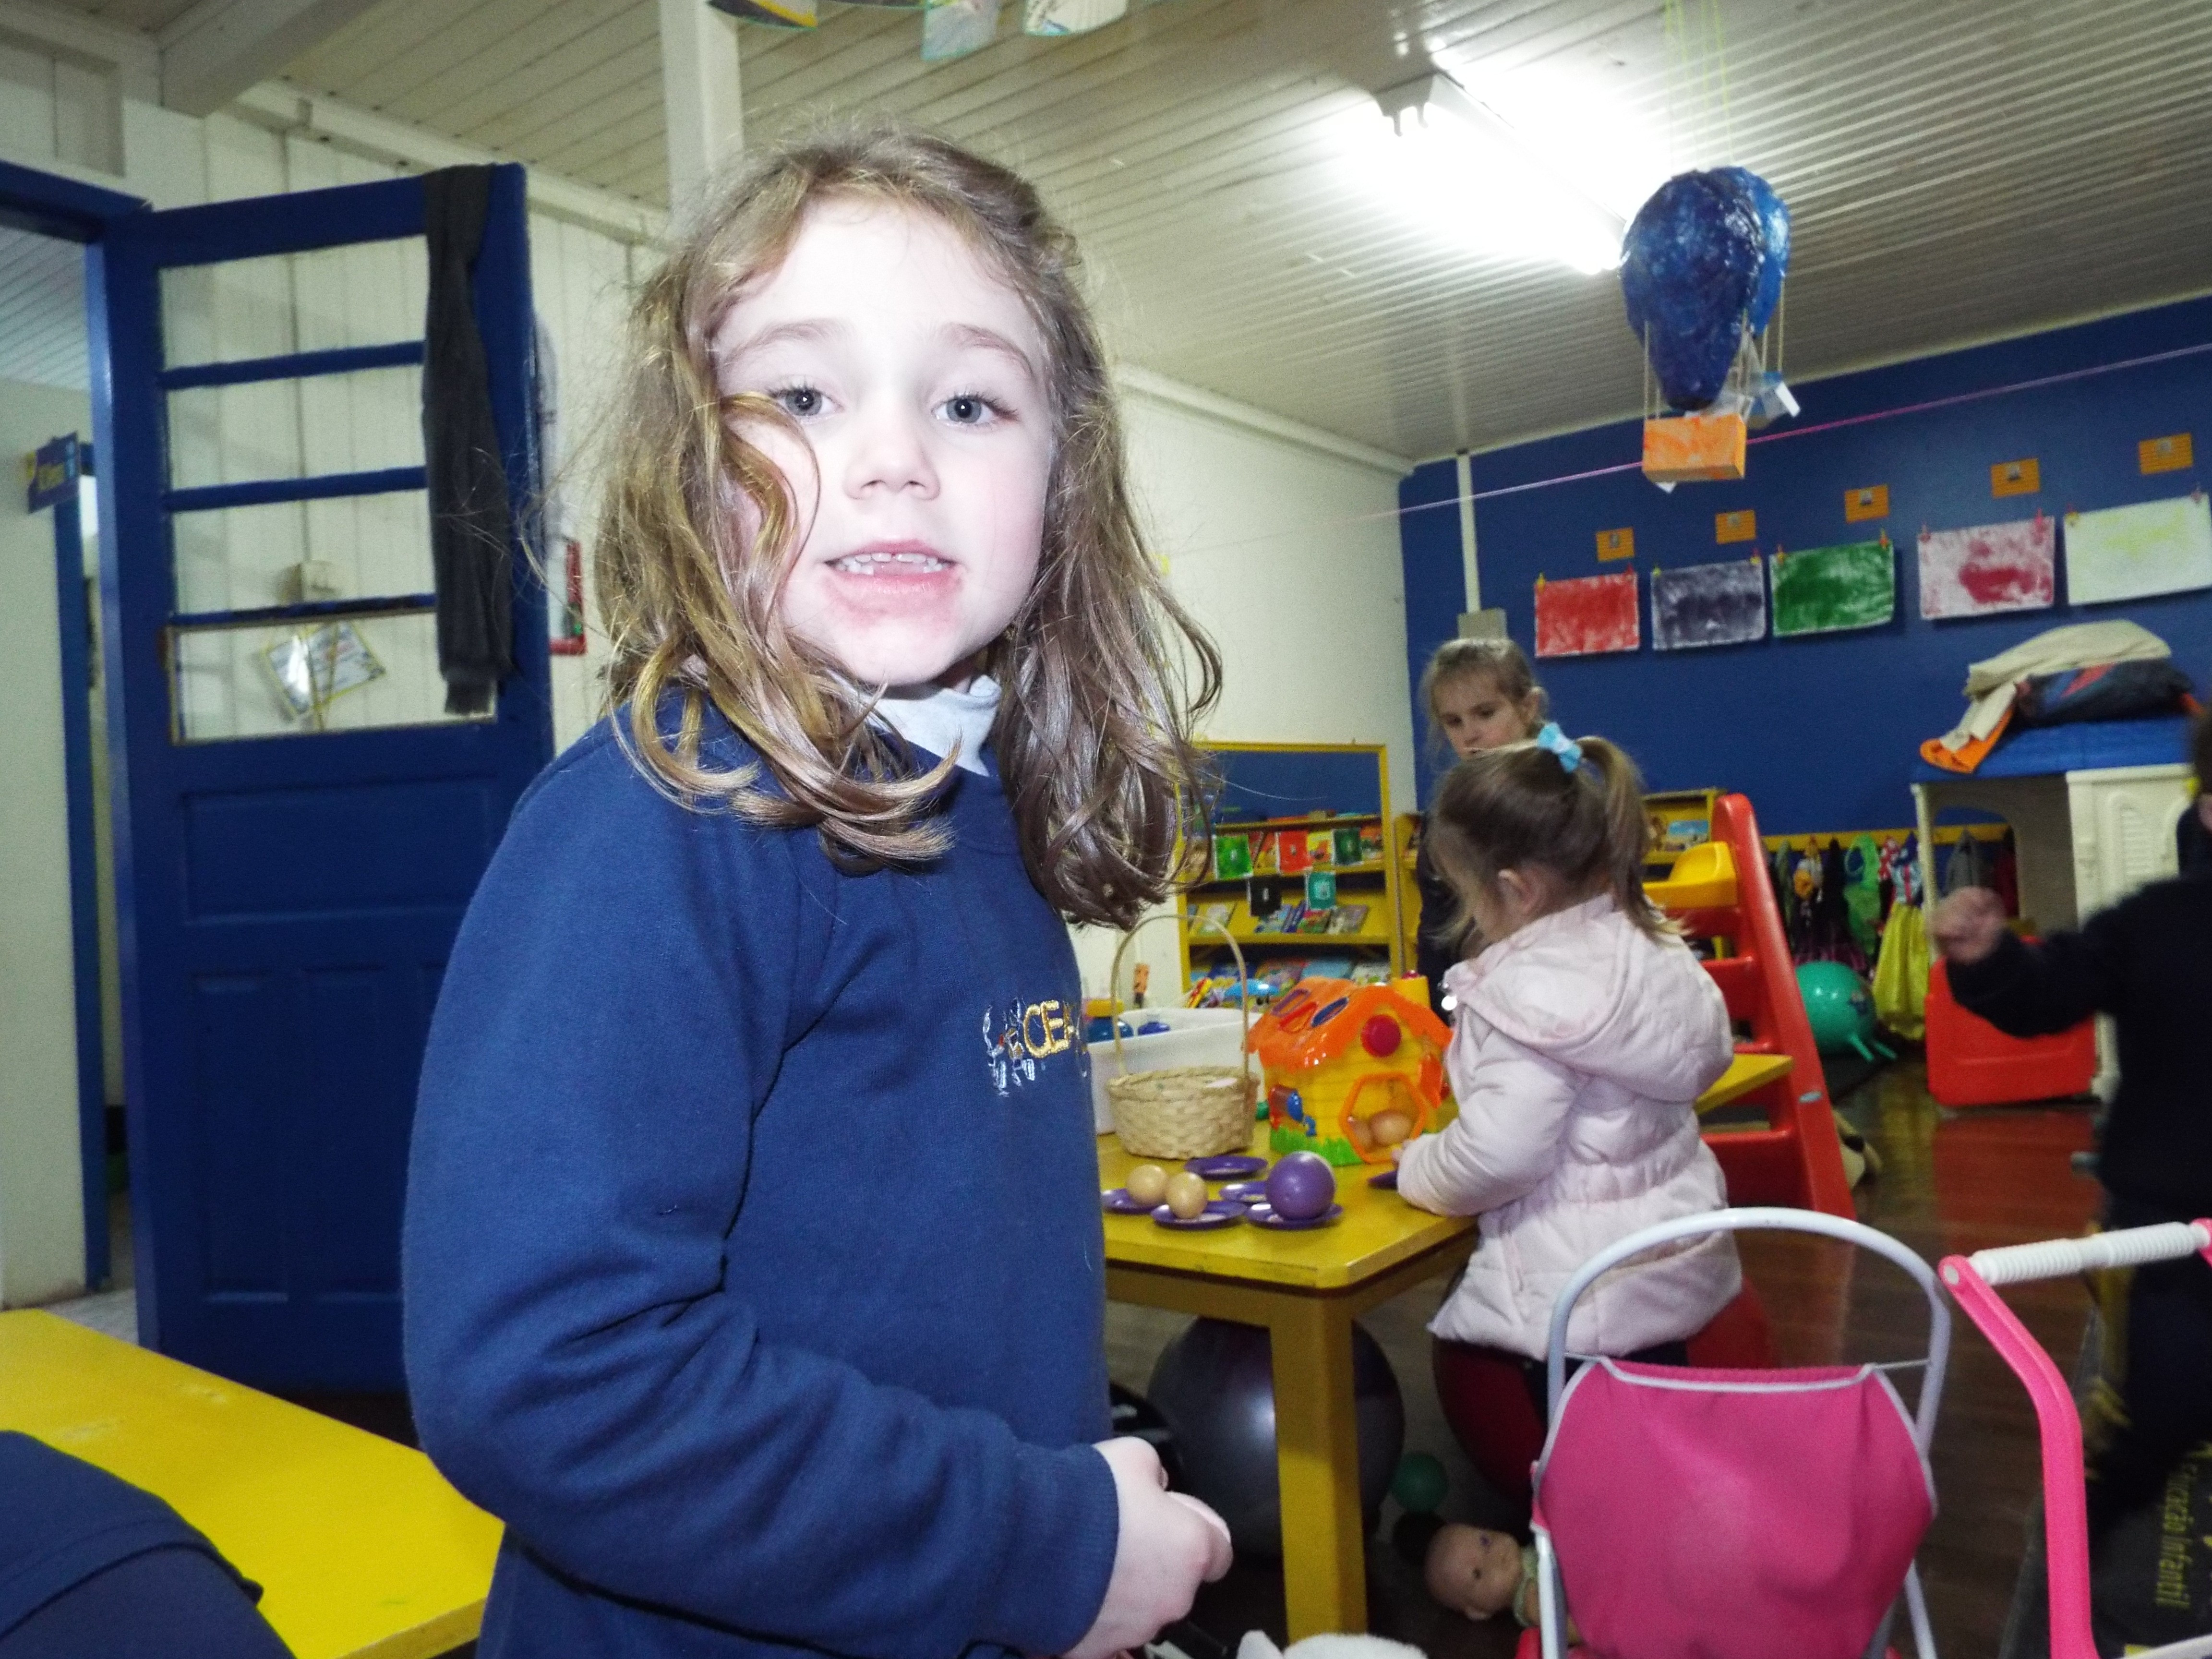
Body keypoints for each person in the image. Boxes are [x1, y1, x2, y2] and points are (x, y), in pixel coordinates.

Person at [402, 126, 1233, 1659]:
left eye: (971, 402)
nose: (897, 457)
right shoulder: (663, 826)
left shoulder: (971, 806)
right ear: (689, 470)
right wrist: (1041, 1548)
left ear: (1062, 477)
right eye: (801, 396)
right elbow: (547, 1376)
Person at [1932, 706, 2212, 1543]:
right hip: (2168, 1223)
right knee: (2163, 1408)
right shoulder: (2159, 921)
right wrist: (1990, 960)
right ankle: (2082, 1530)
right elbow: (2053, 990)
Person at [1395, 725, 1741, 1384]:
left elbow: (1498, 1157)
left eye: (1467, 893)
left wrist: (1418, 1166)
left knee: (1589, 1439)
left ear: (1516, 889)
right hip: (1671, 1261)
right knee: (1649, 1415)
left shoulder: (1525, 996)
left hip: (1579, 1293)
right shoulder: (1654, 947)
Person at [1410, 638, 1548, 1016]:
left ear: (1527, 707)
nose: (1469, 735)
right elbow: (1436, 933)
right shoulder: (1447, 817)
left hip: (1561, 996)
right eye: (1453, 722)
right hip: (1475, 1006)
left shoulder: (1564, 796)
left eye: (1485, 714)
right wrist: (1434, 1018)